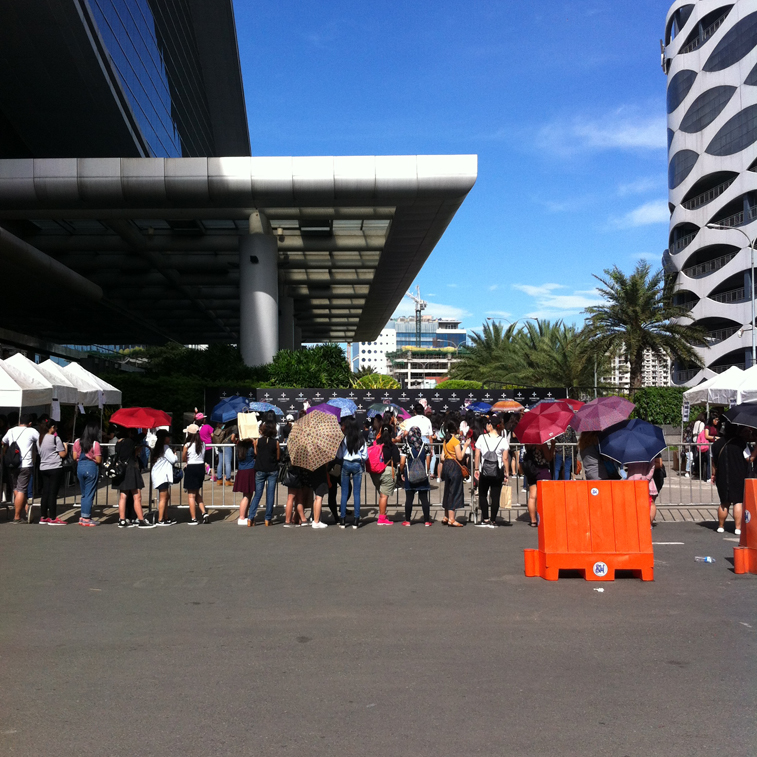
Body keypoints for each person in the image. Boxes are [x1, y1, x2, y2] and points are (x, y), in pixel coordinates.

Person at [2, 414, 40, 523]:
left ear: (19, 422)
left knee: (16, 488)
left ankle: (25, 508)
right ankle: (17, 516)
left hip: (12, 464)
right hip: (25, 463)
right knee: (22, 489)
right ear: (30, 423)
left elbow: (3, 442)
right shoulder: (32, 431)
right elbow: (40, 441)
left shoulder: (11, 431)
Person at [711, 422, 747, 536]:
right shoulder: (741, 443)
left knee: (724, 502)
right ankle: (737, 528)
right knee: (738, 501)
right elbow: (748, 458)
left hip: (722, 475)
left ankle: (721, 526)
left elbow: (713, 462)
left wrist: (713, 474)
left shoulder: (716, 444)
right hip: (738, 475)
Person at [473, 415, 509, 527]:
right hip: (497, 471)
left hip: (484, 470)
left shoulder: (481, 438)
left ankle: (485, 518)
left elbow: (477, 454)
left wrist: (476, 469)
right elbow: (505, 459)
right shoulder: (503, 441)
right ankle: (493, 519)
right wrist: (507, 472)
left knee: (483, 494)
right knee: (495, 496)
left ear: (490, 425)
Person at [115, 428, 153, 529]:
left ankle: (122, 520)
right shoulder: (130, 441)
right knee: (137, 496)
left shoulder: (118, 443)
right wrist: (144, 428)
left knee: (123, 496)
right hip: (131, 470)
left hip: (122, 470)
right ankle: (141, 519)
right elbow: (142, 435)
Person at [247, 420, 280, 526]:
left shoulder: (257, 441)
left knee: (257, 494)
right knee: (270, 494)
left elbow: (256, 453)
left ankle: (250, 518)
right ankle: (267, 518)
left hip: (260, 469)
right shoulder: (276, 443)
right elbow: (278, 457)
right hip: (272, 469)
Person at [72, 417, 102, 526]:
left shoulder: (77, 442)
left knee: (84, 493)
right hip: (91, 467)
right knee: (89, 494)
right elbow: (98, 460)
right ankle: (86, 517)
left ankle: (82, 515)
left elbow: (75, 456)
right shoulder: (95, 444)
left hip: (80, 467)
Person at [37, 419, 67, 525]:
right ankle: (53, 517)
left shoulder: (39, 438)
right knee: (52, 493)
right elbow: (62, 454)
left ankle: (43, 516)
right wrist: (66, 447)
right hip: (54, 467)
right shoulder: (55, 438)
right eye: (56, 427)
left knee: (45, 492)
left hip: (43, 467)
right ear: (52, 427)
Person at [337, 418, 367, 528]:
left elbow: (339, 455)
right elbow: (365, 455)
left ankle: (343, 520)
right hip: (357, 464)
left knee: (344, 493)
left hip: (345, 463)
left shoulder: (344, 438)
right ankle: (356, 520)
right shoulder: (361, 438)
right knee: (356, 493)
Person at [399, 426, 432, 526]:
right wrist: (427, 470)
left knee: (409, 499)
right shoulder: (425, 446)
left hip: (410, 476)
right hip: (422, 475)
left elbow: (402, 462)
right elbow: (428, 461)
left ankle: (408, 520)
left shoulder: (406, 447)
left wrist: (401, 472)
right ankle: (426, 521)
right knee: (424, 498)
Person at [369, 425, 401, 525]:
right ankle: (382, 517)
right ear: (391, 433)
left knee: (381, 494)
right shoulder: (392, 446)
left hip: (374, 471)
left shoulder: (374, 443)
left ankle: (383, 514)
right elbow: (397, 460)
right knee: (384, 496)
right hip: (387, 471)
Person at [520, 439, 555, 527]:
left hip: (531, 471)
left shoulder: (528, 443)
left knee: (532, 497)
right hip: (542, 470)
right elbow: (548, 457)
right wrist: (553, 446)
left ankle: (533, 520)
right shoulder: (542, 443)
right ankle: (544, 518)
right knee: (544, 496)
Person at [441, 421, 470, 527]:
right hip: (454, 467)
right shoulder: (455, 441)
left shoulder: (446, 440)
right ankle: (452, 519)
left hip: (447, 465)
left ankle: (446, 516)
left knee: (447, 490)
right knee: (454, 491)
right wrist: (466, 446)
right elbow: (460, 457)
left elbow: (442, 457)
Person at [182, 423, 209, 525]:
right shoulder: (203, 444)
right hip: (200, 467)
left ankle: (193, 518)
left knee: (191, 495)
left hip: (192, 467)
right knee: (196, 493)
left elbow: (184, 458)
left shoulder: (187, 445)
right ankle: (204, 513)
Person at [150, 429, 178, 526]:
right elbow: (174, 459)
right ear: (164, 438)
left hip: (159, 475)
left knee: (166, 496)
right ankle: (161, 518)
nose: (169, 438)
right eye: (167, 437)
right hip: (162, 476)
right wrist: (174, 454)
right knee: (163, 497)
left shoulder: (158, 448)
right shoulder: (165, 448)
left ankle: (165, 517)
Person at [626, 457, 660, 526]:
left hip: (640, 480)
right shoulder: (648, 452)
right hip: (637, 480)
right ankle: (637, 522)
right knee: (634, 502)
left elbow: (652, 467)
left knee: (650, 501)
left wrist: (647, 479)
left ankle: (648, 523)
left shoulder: (630, 453)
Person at [234, 436, 256, 525]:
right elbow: (255, 453)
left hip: (241, 470)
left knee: (247, 494)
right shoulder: (250, 447)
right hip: (249, 470)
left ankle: (244, 515)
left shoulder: (238, 446)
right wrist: (254, 442)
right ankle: (242, 516)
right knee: (247, 495)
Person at [212, 421, 235, 486]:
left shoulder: (222, 426)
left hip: (220, 444)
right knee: (227, 463)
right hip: (227, 445)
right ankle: (228, 480)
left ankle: (219, 479)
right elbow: (233, 438)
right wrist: (234, 441)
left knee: (220, 462)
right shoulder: (233, 427)